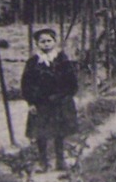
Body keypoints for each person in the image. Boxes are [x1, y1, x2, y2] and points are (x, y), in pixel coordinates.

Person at [21, 27, 79, 172]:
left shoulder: (62, 60)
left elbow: (72, 83)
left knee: (59, 132)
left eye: (49, 41)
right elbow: (26, 84)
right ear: (37, 44)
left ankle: (60, 160)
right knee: (41, 133)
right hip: (41, 104)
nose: (46, 44)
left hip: (60, 102)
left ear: (54, 42)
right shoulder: (33, 62)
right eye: (42, 42)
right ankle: (43, 162)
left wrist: (63, 96)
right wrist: (31, 102)